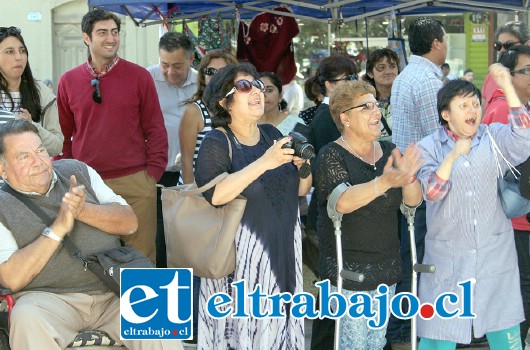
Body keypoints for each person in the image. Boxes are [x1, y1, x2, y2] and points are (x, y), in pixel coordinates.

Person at [0, 120, 179, 350]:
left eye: (41, 150)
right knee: (25, 317)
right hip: (50, 301)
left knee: (165, 300)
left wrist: (83, 210)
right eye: (24, 156)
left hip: (115, 287)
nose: (38, 162)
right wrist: (58, 228)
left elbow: (130, 223)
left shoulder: (77, 170)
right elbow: (11, 278)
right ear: (2, 169)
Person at [194, 62, 311, 349]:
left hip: (283, 250)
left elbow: (302, 189)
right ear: (225, 102)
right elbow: (216, 195)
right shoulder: (217, 141)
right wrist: (266, 162)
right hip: (241, 263)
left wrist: (304, 166)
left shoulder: (272, 135)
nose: (257, 91)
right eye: (245, 87)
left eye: (257, 84)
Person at [416, 68, 530, 349]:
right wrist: (452, 156)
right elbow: (431, 192)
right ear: (446, 114)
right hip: (447, 259)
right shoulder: (428, 147)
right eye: (463, 105)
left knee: (504, 333)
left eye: (475, 104)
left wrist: (507, 86)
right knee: (439, 336)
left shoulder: (493, 137)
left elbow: (524, 138)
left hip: (494, 256)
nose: (472, 110)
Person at [315, 80, 423, 349]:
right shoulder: (332, 155)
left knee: (375, 343)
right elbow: (342, 202)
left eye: (377, 105)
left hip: (386, 269)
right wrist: (383, 183)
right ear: (345, 118)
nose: (377, 112)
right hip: (348, 271)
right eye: (366, 107)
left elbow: (413, 204)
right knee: (352, 344)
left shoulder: (389, 150)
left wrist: (408, 178)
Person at [56, 9, 168, 264]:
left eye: (115, 32)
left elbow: (156, 128)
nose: (111, 38)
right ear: (87, 38)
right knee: (91, 255)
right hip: (88, 183)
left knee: (142, 256)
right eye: (102, 32)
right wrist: (66, 176)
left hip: (136, 181)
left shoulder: (139, 77)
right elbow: (63, 134)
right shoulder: (68, 81)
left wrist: (152, 175)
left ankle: (141, 305)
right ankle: (103, 305)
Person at [388, 17, 447, 350]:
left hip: (411, 180)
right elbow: (437, 135)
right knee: (418, 257)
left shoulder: (408, 75)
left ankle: (404, 328)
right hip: (424, 184)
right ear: (437, 42)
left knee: (413, 255)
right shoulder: (426, 80)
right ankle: (403, 331)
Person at [308, 53, 357, 350]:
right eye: (344, 79)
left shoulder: (341, 113)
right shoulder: (327, 117)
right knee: (333, 284)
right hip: (333, 211)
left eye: (354, 77)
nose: (351, 84)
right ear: (327, 85)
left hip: (343, 210)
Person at [482, 44, 530, 348]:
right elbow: (493, 167)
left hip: (521, 215)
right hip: (516, 217)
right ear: (507, 77)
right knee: (522, 287)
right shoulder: (502, 109)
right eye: (527, 71)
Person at [146, 32, 196, 268]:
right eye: (164, 65)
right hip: (159, 172)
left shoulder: (202, 84)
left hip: (193, 172)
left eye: (177, 65)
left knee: (189, 234)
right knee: (159, 236)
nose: (170, 72)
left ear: (191, 59)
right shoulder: (146, 79)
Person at [0, 27, 63, 156]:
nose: (18, 57)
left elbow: (56, 146)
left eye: (22, 51)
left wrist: (32, 126)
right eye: (10, 51)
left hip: (31, 172)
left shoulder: (42, 93)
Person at [179, 49, 238, 185]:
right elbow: (186, 162)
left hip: (228, 191)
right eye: (210, 72)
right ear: (203, 77)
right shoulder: (194, 111)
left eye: (222, 72)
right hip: (198, 194)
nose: (216, 76)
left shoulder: (239, 111)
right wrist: (192, 198)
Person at [483, 21, 530, 111]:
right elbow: (484, 109)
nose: (502, 50)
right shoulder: (492, 76)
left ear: (527, 45)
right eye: (498, 46)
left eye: (509, 45)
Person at [362, 48, 400, 141]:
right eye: (381, 67)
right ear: (370, 73)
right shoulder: (363, 102)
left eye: (392, 66)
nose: (388, 72)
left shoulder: (406, 98)